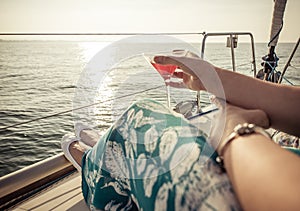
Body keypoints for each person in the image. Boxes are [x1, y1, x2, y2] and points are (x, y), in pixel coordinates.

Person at [62, 55, 300, 211]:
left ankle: (94, 166)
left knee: (139, 119)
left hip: (267, 188)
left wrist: (236, 131)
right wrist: (212, 77)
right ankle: (108, 154)